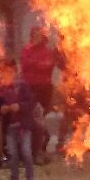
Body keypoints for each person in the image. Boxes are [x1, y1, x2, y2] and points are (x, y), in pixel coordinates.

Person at [0, 67, 38, 180]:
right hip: (10, 126)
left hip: (23, 125)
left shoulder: (23, 86)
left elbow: (31, 102)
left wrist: (19, 106)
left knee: (26, 152)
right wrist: (1, 108)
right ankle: (14, 179)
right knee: (12, 153)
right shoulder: (2, 89)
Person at [20, 23, 58, 159]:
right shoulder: (26, 49)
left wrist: (33, 63)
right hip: (29, 88)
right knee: (33, 117)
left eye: (39, 34)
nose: (36, 37)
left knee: (40, 116)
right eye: (34, 34)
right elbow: (24, 63)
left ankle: (39, 147)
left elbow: (47, 65)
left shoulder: (47, 51)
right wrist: (35, 63)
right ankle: (36, 147)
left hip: (43, 88)